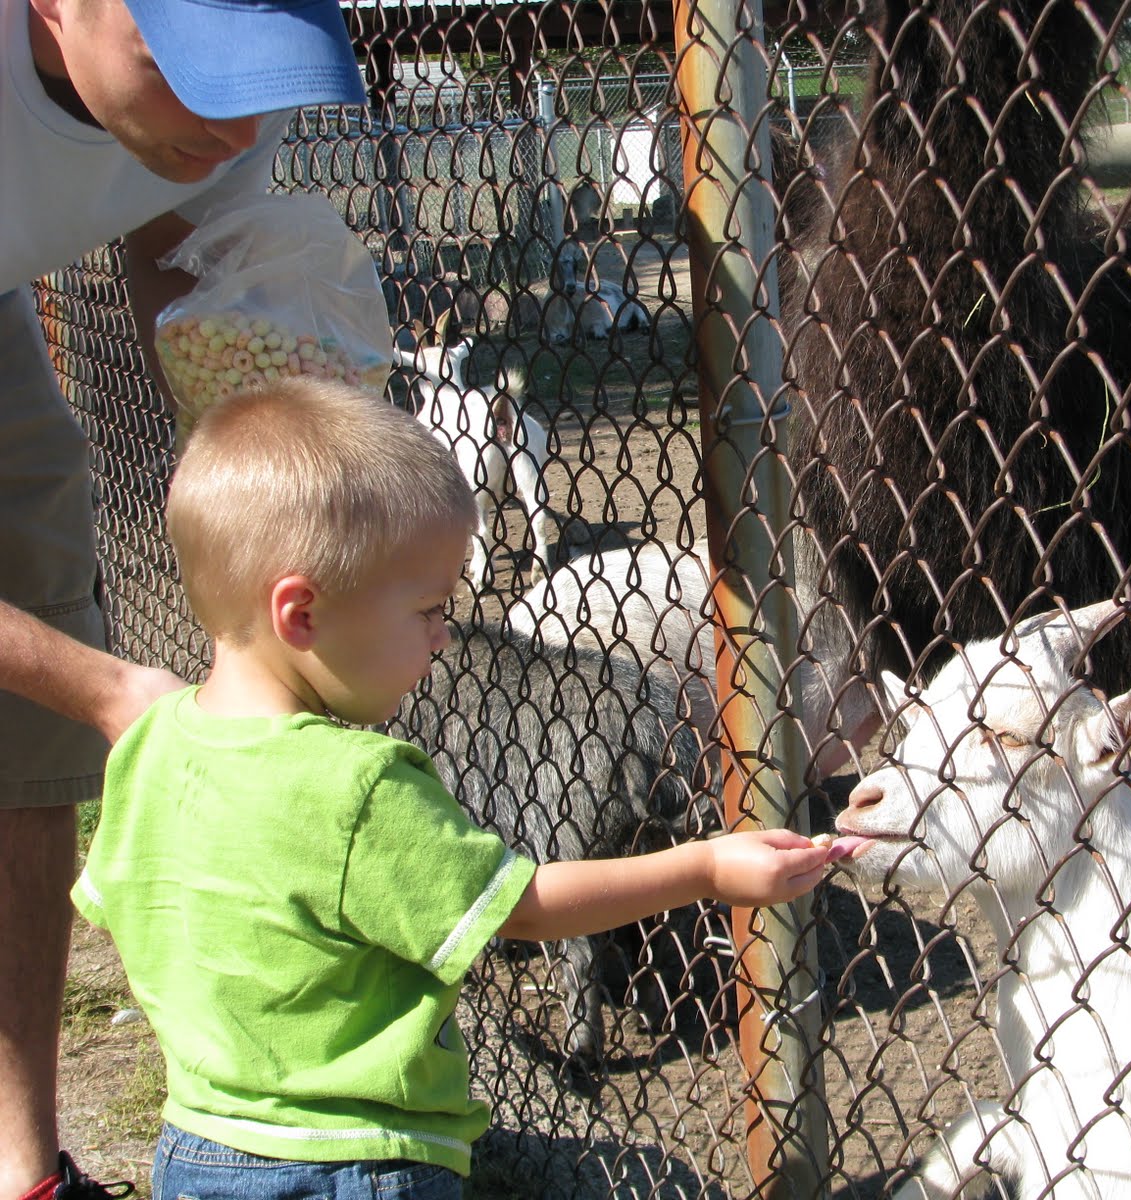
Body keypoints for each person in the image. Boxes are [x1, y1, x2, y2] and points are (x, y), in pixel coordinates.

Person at [70, 378, 849, 1200]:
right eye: (427, 611)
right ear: (302, 615)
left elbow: (124, 907)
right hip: (359, 1161)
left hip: (198, 1146)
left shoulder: (150, 744)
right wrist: (707, 869)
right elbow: (524, 906)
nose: (446, 636)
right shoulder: (359, 786)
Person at [0, 1, 369, 1197]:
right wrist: (108, 689)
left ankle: (24, 1176)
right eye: (187, 70)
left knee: (32, 541)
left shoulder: (218, 102)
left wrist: (264, 439)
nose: (234, 122)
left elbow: (177, 246)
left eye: (256, 78)